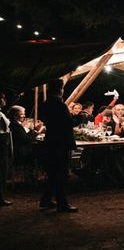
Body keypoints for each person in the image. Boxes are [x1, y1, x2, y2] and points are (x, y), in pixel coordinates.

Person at [39, 79, 78, 213]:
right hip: (61, 142)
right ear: (60, 90)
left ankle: (46, 200)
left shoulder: (45, 103)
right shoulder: (59, 104)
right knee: (61, 173)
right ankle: (62, 204)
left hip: (51, 140)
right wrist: (77, 118)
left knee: (53, 172)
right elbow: (67, 123)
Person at [0, 92, 12, 206]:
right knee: (2, 170)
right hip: (1, 143)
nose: (5, 100)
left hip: (4, 142)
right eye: (3, 98)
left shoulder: (1, 113)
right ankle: (0, 197)